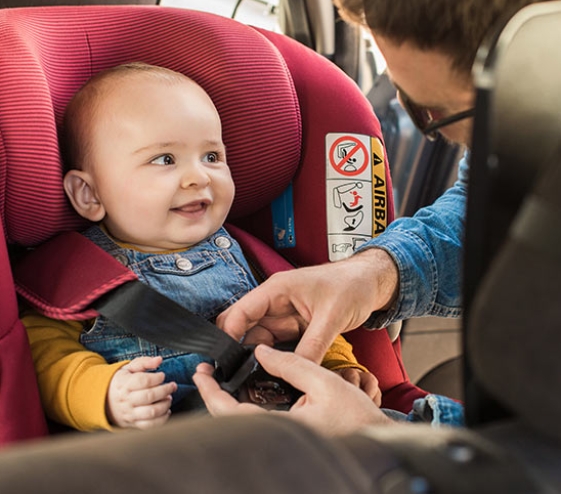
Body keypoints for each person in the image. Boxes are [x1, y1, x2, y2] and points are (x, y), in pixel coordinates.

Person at [193, 0, 561, 435]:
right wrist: (372, 275)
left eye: (440, 111)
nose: (441, 132)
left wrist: (387, 441)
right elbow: (493, 202)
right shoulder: (549, 76)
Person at [21, 62, 380, 432]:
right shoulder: (76, 276)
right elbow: (45, 359)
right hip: (178, 450)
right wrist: (106, 394)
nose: (198, 177)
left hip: (292, 426)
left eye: (212, 157)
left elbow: (307, 319)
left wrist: (338, 367)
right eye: (164, 160)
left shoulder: (251, 256)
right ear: (89, 193)